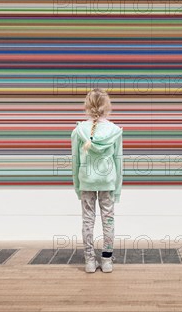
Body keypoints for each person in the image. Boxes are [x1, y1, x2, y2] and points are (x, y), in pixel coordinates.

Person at [71, 88, 123, 273]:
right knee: (108, 220)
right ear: (107, 107)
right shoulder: (114, 131)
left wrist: (77, 187)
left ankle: (89, 261)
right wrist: (117, 189)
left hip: (86, 182)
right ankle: (107, 261)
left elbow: (75, 162)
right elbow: (119, 162)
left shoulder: (78, 131)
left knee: (87, 220)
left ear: (87, 106)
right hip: (107, 182)